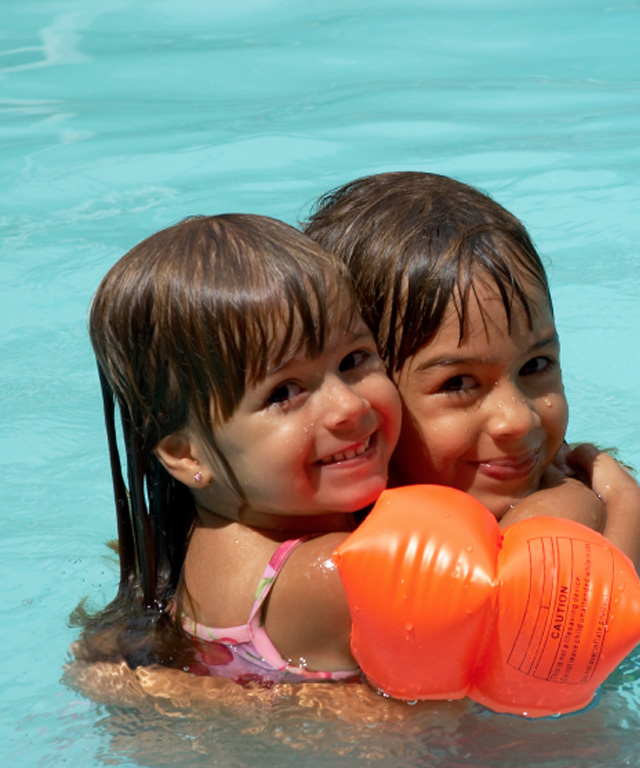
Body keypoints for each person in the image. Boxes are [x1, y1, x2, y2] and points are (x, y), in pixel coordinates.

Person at [75, 214, 402, 683]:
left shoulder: (195, 542)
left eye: (352, 360)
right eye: (283, 392)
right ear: (187, 456)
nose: (348, 405)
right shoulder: (335, 576)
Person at [303, 171, 640, 578]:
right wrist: (633, 515)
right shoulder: (340, 560)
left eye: (535, 366)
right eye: (457, 383)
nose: (519, 420)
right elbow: (560, 634)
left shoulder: (566, 478)